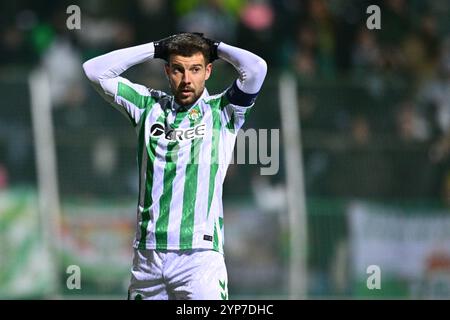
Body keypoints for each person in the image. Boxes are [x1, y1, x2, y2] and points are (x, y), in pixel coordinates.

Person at [82, 32, 267, 300]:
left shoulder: (222, 111)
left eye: (195, 70)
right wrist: (157, 48)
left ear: (208, 72)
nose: (187, 79)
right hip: (148, 256)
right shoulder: (147, 106)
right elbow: (95, 71)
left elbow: (256, 69)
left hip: (199, 258)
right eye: (178, 70)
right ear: (167, 72)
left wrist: (214, 47)